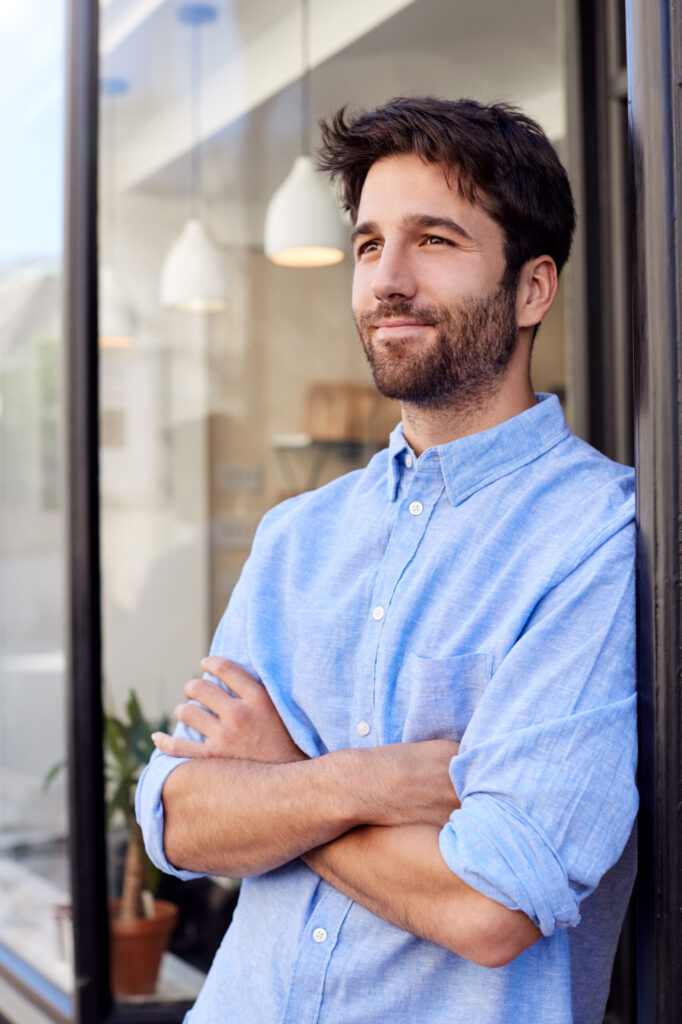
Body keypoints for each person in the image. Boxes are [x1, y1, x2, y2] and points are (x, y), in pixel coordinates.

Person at [137, 97, 637, 1024]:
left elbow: (492, 905)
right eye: (368, 246)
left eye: (435, 240)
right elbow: (179, 816)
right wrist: (361, 783)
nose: (387, 280)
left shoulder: (598, 537)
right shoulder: (299, 536)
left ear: (533, 289)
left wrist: (279, 782)